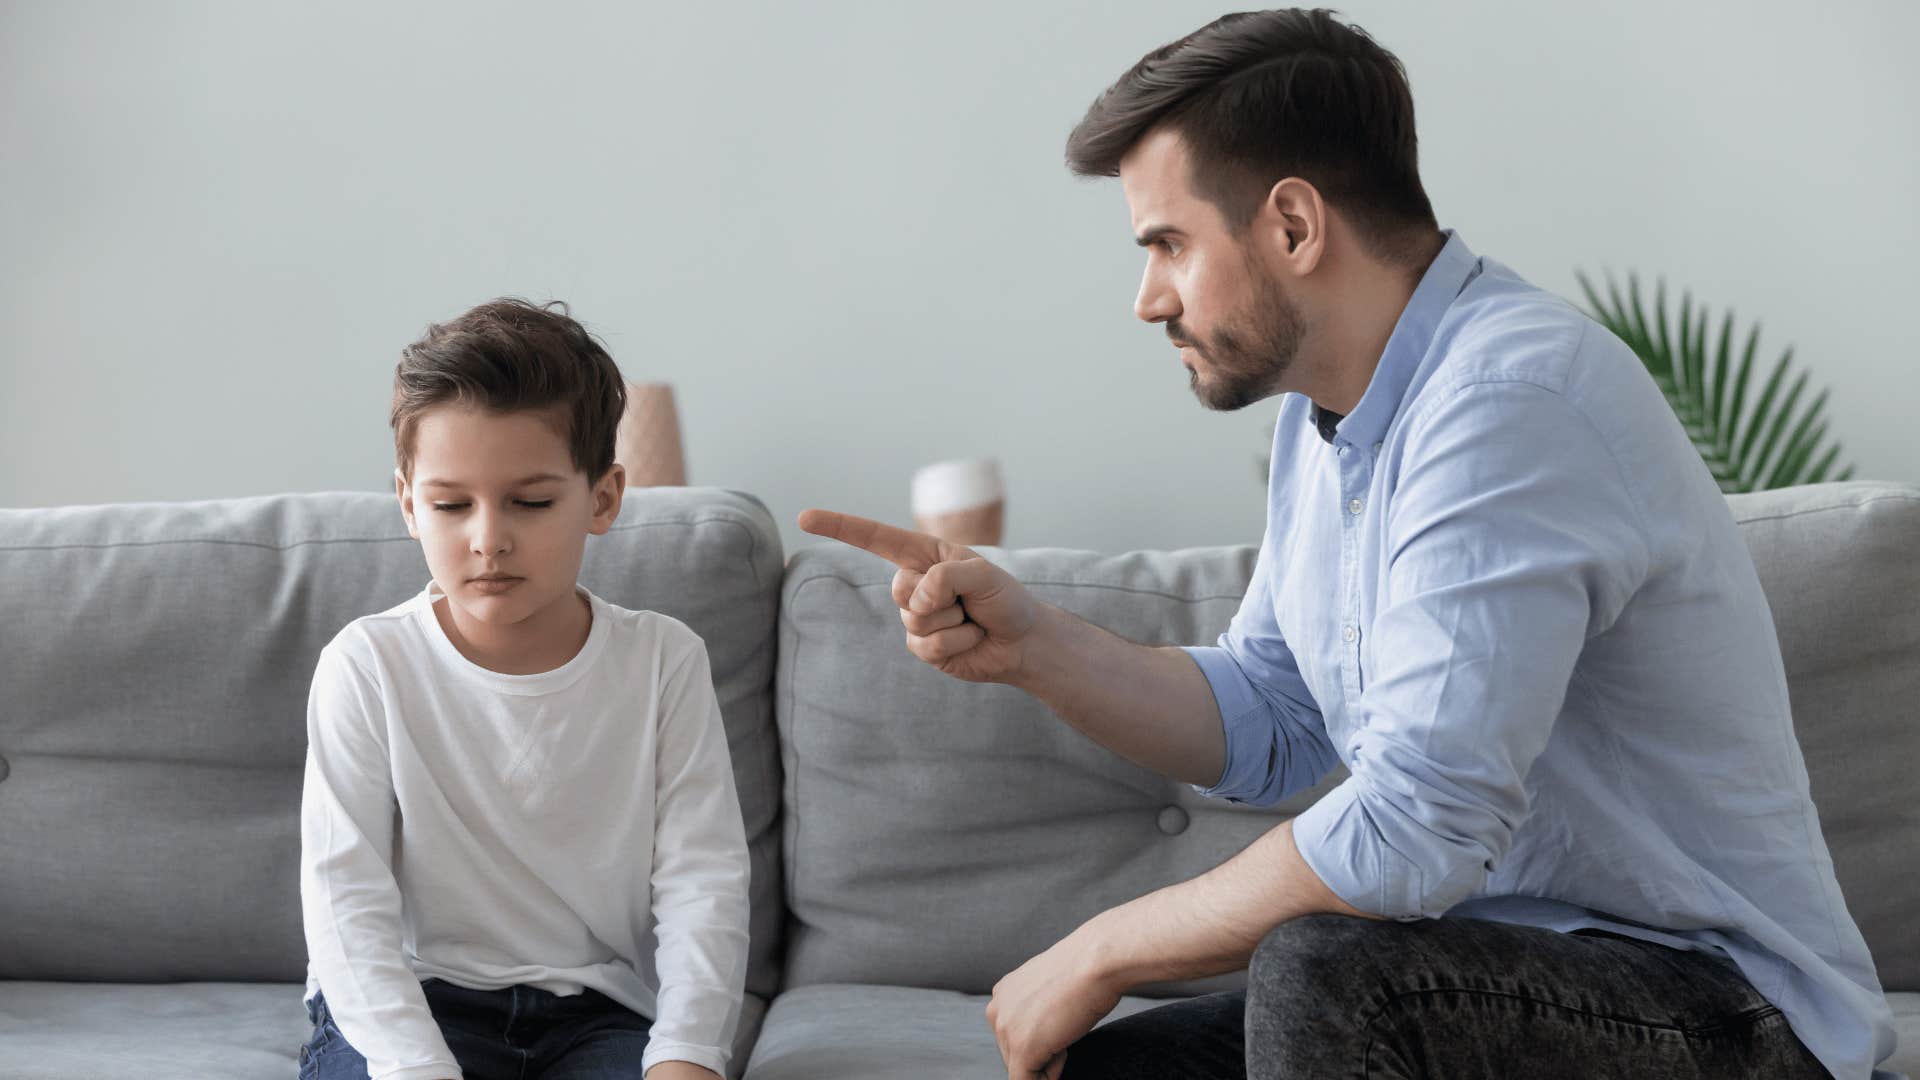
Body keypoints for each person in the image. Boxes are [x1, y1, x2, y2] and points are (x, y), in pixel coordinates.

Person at [799, 9, 1898, 1079]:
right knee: (1118, 1066)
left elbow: (1414, 832)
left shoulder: (1511, 399)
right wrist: (1033, 643)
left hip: (1724, 1014)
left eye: (1169, 243)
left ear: (1291, 225)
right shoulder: (1323, 422)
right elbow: (1274, 720)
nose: (1147, 299)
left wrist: (1101, 946)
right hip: (1485, 981)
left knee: (1330, 976)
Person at [299, 299, 750, 1080]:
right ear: (409, 503)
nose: (488, 538)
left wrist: (687, 1056)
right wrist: (417, 1068)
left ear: (602, 498)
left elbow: (702, 883)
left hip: (598, 1016)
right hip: (410, 1007)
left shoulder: (662, 662)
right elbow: (346, 906)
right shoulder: (366, 666)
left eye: (532, 502)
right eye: (450, 505)